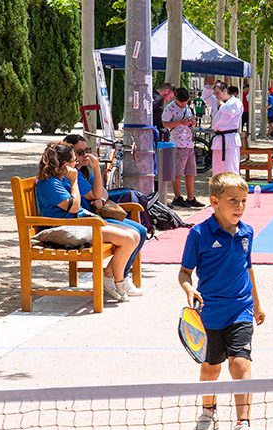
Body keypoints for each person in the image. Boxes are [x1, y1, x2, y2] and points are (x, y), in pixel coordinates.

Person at [178, 171, 265, 430]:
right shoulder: (199, 234)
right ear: (214, 202)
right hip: (210, 312)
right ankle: (209, 410)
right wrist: (189, 289)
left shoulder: (247, 232)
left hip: (240, 308)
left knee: (240, 364)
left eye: (243, 201)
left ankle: (243, 424)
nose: (240, 206)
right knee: (210, 368)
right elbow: (184, 273)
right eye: (233, 201)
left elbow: (247, 269)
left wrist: (257, 303)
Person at [34, 142, 142, 304]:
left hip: (82, 223)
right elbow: (74, 207)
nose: (76, 164)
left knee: (134, 234)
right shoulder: (50, 183)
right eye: (73, 161)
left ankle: (109, 276)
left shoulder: (57, 179)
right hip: (67, 229)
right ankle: (117, 280)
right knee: (127, 239)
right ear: (65, 165)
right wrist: (74, 181)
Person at [159, 87, 201, 208]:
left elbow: (192, 121)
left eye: (185, 102)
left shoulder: (187, 108)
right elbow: (165, 124)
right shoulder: (170, 108)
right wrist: (179, 122)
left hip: (189, 143)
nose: (183, 104)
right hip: (177, 144)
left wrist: (192, 122)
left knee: (190, 172)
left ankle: (190, 197)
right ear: (176, 98)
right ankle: (177, 197)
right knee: (177, 172)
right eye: (181, 102)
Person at [202, 80, 243, 177]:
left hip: (230, 138)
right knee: (217, 169)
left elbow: (232, 112)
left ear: (225, 91)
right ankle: (218, 190)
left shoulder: (236, 102)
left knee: (231, 168)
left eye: (218, 93)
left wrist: (222, 105)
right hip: (219, 139)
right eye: (215, 93)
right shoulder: (216, 101)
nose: (216, 95)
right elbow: (206, 97)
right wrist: (209, 86)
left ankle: (232, 190)